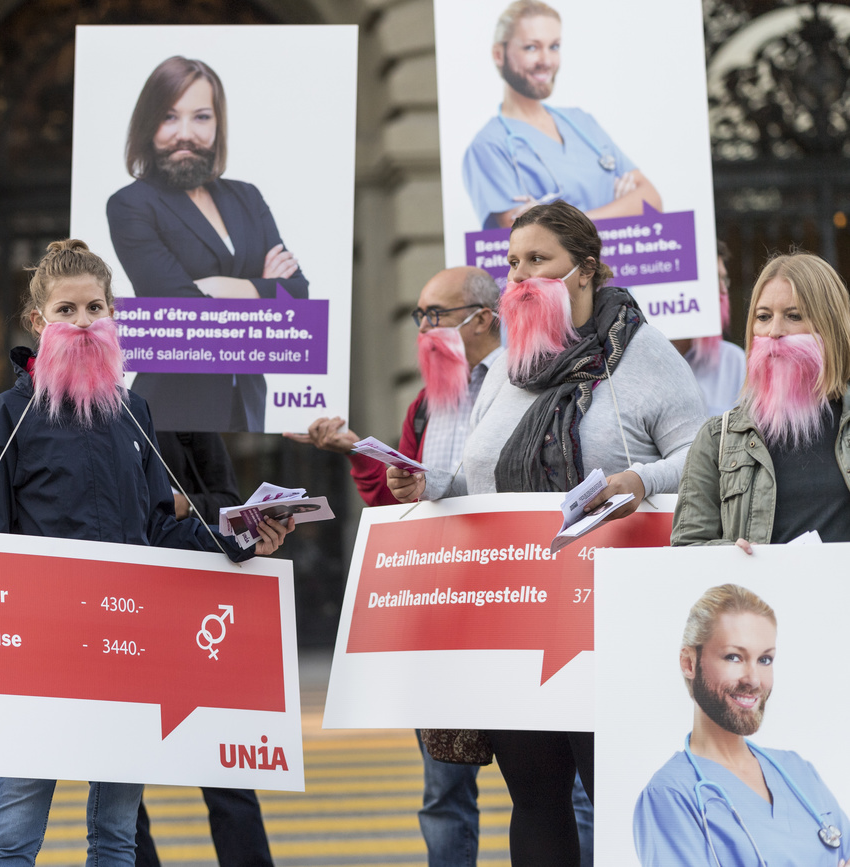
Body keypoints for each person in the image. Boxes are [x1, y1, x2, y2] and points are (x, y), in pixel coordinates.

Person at [0, 240, 292, 867]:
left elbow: (159, 528)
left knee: (116, 836)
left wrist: (242, 538)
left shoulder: (134, 413)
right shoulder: (10, 413)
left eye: (95, 307)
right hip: (42, 654)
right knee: (15, 835)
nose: (84, 322)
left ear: (113, 315)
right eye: (67, 310)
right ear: (37, 322)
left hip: (126, 646)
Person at [388, 201, 705, 865]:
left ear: (585, 269)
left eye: (539, 260)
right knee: (533, 797)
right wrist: (430, 484)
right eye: (512, 263)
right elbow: (479, 475)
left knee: (614, 794)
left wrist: (640, 479)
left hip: (606, 617)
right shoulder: (509, 364)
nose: (521, 276)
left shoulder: (643, 354)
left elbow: (703, 458)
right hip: (514, 616)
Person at [286, 266, 501, 866]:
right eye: (420, 315)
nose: (424, 328)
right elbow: (395, 502)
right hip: (440, 614)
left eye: (437, 315)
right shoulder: (426, 405)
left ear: (482, 318)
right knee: (444, 792)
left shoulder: (522, 388)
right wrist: (357, 449)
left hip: (511, 606)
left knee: (551, 790)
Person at [107, 56, 308, 433]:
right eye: (169, 117)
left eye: (201, 117)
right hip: (172, 415)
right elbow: (181, 308)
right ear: (148, 124)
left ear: (218, 124)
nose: (185, 133)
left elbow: (298, 297)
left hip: (248, 406)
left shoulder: (247, 197)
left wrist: (221, 287)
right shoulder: (131, 204)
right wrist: (264, 290)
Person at [134, 430, 276, 867]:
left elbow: (228, 503)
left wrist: (179, 503)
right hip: (123, 604)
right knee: (119, 780)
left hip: (193, 606)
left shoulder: (182, 415)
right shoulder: (93, 415)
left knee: (225, 770)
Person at [633, 585, 850, 866]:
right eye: (734, 657)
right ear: (689, 663)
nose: (754, 679)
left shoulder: (797, 771)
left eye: (765, 659)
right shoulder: (671, 795)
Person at [672, 252, 850, 549]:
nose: (774, 332)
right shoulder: (717, 439)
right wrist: (732, 556)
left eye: (794, 316)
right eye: (763, 317)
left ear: (829, 326)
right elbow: (688, 547)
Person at [463, 0, 662, 230]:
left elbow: (651, 200)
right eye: (531, 47)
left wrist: (556, 219)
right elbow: (524, 236)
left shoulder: (581, 122)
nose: (546, 61)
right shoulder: (489, 146)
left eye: (554, 46)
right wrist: (620, 208)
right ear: (499, 54)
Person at [673, 242, 747, 416]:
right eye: (713, 279)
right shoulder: (635, 360)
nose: (723, 290)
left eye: (724, 279)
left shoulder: (734, 362)